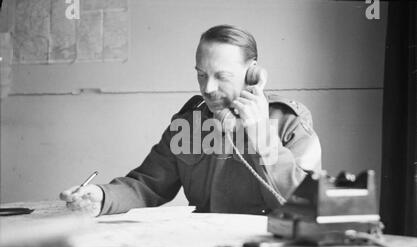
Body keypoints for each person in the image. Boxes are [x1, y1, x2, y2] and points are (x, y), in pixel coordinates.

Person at [60, 25, 321, 216]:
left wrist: (261, 133)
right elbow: (147, 185)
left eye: (222, 76)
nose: (207, 88)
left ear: (252, 73)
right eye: (201, 75)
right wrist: (101, 197)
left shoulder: (289, 122)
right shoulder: (190, 123)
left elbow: (305, 203)